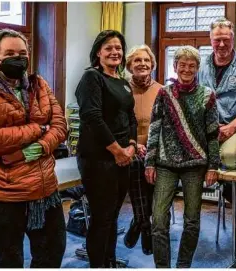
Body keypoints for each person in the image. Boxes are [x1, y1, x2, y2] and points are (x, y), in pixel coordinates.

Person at [0, 28, 67, 268]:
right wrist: (38, 129)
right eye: (9, 53)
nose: (17, 58)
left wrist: (29, 151)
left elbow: (60, 127)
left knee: (52, 254)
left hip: (43, 190)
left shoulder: (39, 85)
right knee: (7, 262)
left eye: (23, 52)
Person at [145, 46, 220, 268]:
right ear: (175, 66)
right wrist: (149, 162)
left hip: (196, 166)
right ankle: (162, 266)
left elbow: (213, 134)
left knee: (192, 220)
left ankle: (183, 265)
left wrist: (213, 166)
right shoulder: (164, 94)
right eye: (182, 65)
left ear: (197, 68)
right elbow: (154, 128)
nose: (186, 69)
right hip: (165, 164)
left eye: (192, 65)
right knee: (158, 220)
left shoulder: (207, 95)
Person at [75, 30, 137, 268]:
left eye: (118, 48)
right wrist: (117, 151)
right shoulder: (91, 78)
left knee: (113, 217)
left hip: (123, 157)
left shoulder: (122, 82)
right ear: (98, 52)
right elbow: (92, 117)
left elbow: (130, 116)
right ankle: (98, 264)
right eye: (108, 48)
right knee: (102, 218)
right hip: (98, 159)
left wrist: (130, 145)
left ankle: (109, 261)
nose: (114, 52)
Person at [198, 17, 236, 203]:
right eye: (217, 40)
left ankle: (230, 192)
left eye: (226, 39)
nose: (222, 44)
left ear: (233, 39)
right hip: (208, 126)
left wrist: (232, 127)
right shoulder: (201, 66)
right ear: (210, 40)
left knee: (230, 157)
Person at [122, 45, 163, 255]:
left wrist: (151, 148)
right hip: (130, 148)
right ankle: (143, 222)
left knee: (153, 165)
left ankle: (140, 221)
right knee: (137, 163)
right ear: (129, 65)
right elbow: (119, 124)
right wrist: (134, 144)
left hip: (155, 149)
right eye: (137, 60)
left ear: (153, 65)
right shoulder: (122, 88)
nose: (143, 64)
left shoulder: (161, 90)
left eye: (146, 61)